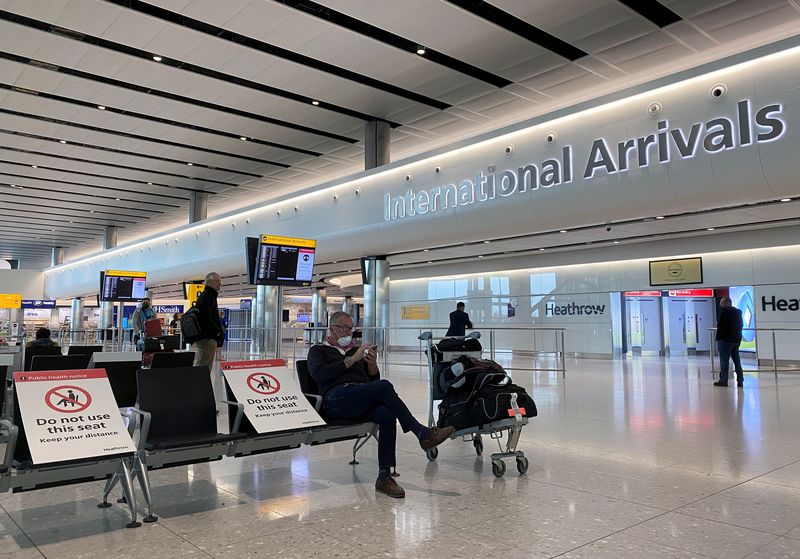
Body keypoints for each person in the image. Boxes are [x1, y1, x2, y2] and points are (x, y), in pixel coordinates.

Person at [307, 311, 454, 499]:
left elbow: (371, 381)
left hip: (358, 396)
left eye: (350, 328)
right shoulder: (318, 350)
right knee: (384, 387)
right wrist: (351, 360)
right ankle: (422, 433)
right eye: (343, 328)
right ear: (331, 328)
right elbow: (320, 375)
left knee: (386, 413)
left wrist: (372, 366)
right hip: (335, 399)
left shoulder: (355, 351)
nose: (347, 332)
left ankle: (384, 477)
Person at [192, 272, 224, 372]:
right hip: (207, 337)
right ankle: (199, 386)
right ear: (210, 282)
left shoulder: (209, 295)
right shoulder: (207, 296)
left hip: (207, 336)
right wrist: (217, 331)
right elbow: (206, 317)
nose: (220, 284)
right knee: (204, 366)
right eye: (217, 281)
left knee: (204, 364)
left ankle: (200, 385)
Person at [714, 296, 744, 387]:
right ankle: (740, 380)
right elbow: (741, 325)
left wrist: (719, 338)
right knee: (737, 361)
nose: (720, 305)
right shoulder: (738, 312)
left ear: (726, 303)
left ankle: (723, 381)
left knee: (724, 361)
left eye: (722, 303)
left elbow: (721, 327)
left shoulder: (724, 312)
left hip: (725, 340)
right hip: (736, 340)